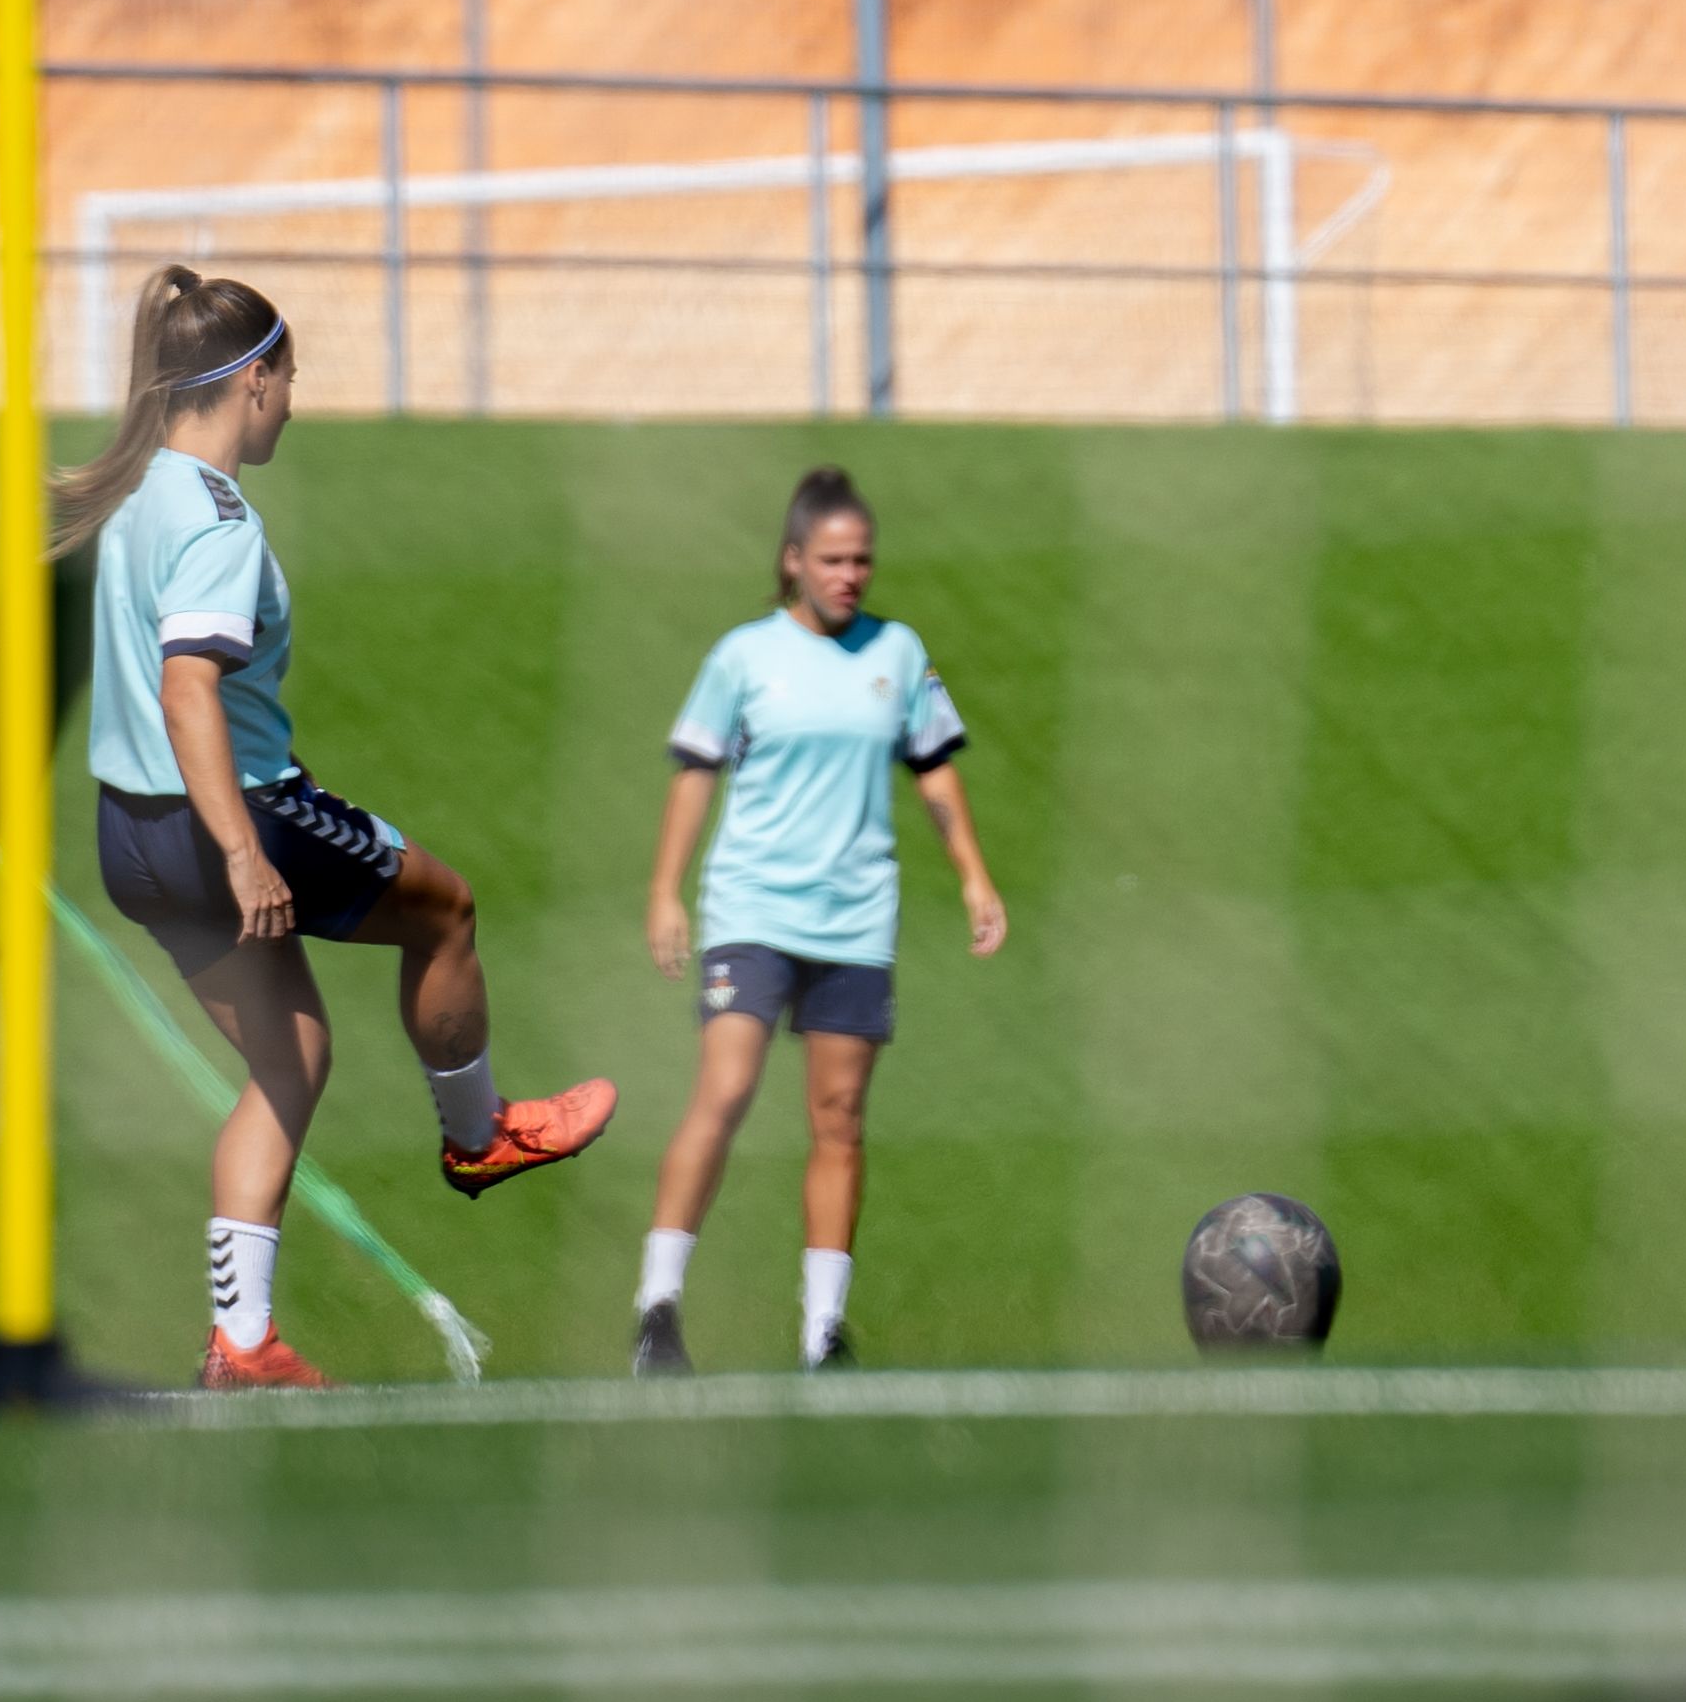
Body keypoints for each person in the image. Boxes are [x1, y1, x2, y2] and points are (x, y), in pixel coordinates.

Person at [63, 264, 614, 1390]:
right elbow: (186, 689)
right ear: (251, 380)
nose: (293, 402)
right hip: (235, 813)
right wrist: (241, 848)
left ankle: (241, 1340)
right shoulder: (217, 518)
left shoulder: (134, 505)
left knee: (290, 1055)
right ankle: (479, 1134)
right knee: (447, 909)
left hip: (127, 837)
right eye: (290, 378)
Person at [629, 466, 1004, 1376]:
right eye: (832, 558)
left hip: (855, 915)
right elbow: (695, 775)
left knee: (839, 1118)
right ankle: (658, 1307)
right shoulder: (743, 656)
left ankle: (823, 1332)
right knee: (724, 1092)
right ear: (793, 560)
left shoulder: (899, 653)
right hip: (753, 905)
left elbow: (935, 771)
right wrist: (666, 890)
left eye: (862, 559)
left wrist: (974, 880)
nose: (850, 575)